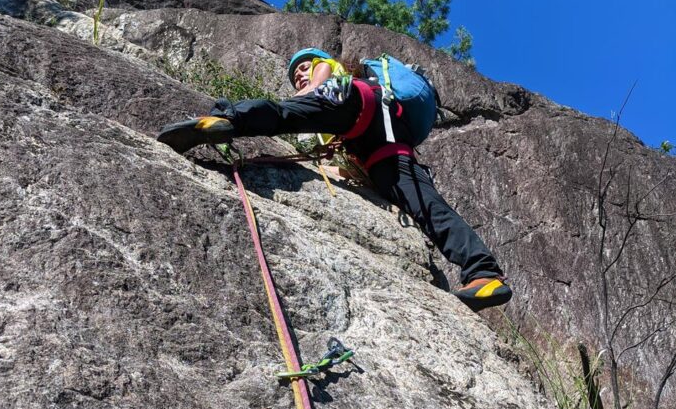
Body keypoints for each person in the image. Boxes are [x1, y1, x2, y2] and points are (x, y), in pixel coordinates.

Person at [157, 48, 512, 312]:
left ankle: (226, 120)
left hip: (356, 106)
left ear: (322, 62)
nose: (301, 73)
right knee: (426, 204)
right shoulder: (373, 97)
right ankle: (484, 275)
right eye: (296, 71)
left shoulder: (329, 71)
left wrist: (304, 93)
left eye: (303, 67)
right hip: (383, 140)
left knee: (282, 113)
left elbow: (305, 100)